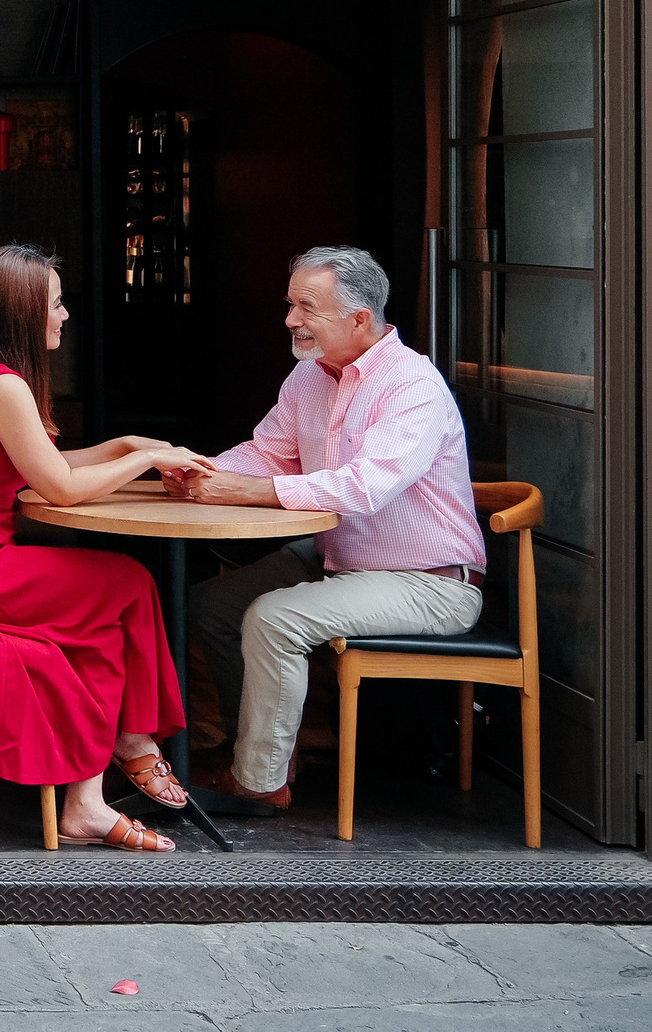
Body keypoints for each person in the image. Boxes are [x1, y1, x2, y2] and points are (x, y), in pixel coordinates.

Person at [0, 245, 207, 851]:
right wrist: (144, 458)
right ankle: (132, 743)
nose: (64, 316)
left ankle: (88, 800)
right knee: (127, 582)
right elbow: (58, 486)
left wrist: (122, 445)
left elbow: (41, 465)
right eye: (57, 304)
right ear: (25, 312)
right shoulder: (3, 386)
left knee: (109, 616)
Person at [172, 246, 486, 811]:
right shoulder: (308, 379)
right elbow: (269, 453)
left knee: (273, 618)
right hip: (339, 558)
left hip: (430, 582)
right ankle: (265, 749)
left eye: (306, 307)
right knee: (214, 605)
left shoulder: (412, 384)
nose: (291, 320)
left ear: (359, 318)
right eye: (291, 304)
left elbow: (364, 487)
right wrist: (202, 469)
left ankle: (258, 784)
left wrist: (250, 491)